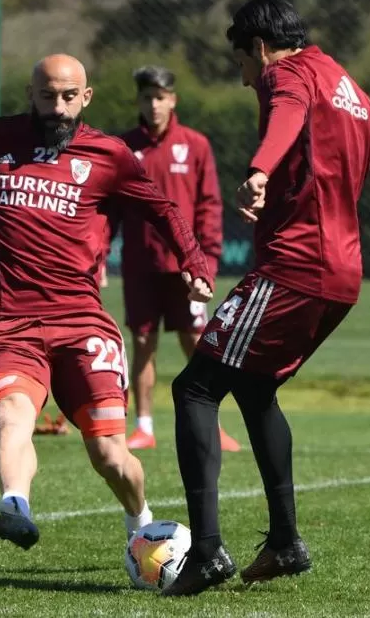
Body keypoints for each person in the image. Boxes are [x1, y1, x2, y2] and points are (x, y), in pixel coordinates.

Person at [161, 0, 370, 596]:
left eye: (241, 65)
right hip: (342, 276)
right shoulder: (349, 89)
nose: (244, 79)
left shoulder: (286, 75)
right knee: (256, 390)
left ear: (259, 48)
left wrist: (259, 169)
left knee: (195, 388)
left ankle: (206, 552)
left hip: (295, 266)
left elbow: (285, 111)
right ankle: (284, 542)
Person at [0, 54, 214, 551]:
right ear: (30, 95)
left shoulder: (111, 155)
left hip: (82, 323)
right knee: (13, 415)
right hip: (7, 322)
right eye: (46, 96)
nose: (57, 107)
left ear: (86, 97)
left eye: (68, 97)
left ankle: (141, 520)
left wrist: (196, 264)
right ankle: (15, 504)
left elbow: (163, 207)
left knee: (108, 453)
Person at [115, 65, 240, 452]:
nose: (153, 105)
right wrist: (99, 258)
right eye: (146, 97)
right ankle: (144, 427)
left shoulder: (196, 145)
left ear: (173, 100)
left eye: (160, 97)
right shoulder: (123, 147)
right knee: (141, 341)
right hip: (140, 266)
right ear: (138, 101)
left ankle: (213, 426)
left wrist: (208, 264)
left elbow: (210, 208)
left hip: (187, 271)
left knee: (198, 343)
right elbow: (110, 209)